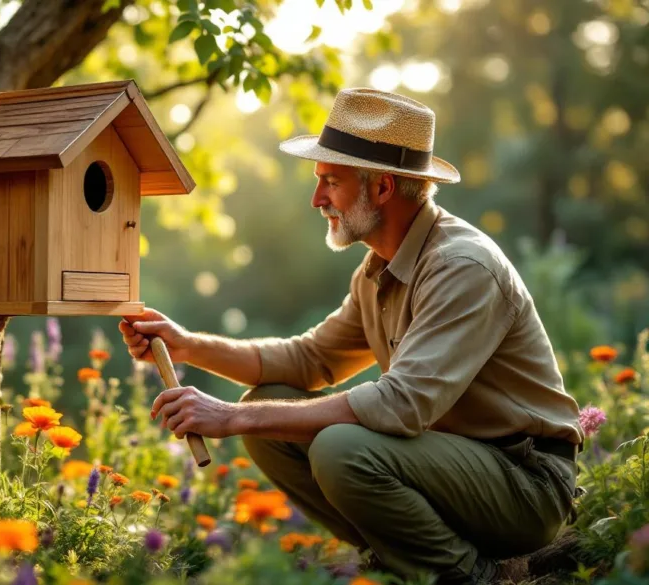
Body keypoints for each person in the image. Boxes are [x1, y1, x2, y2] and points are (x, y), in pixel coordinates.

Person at [118, 88, 583, 584]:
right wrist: (187, 344)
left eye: (330, 182)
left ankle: (478, 576)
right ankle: (399, 554)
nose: (317, 199)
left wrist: (233, 417)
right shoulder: (377, 269)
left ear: (382, 188)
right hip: (452, 471)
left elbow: (401, 405)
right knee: (271, 405)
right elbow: (309, 360)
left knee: (337, 447)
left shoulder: (461, 267)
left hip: (526, 485)